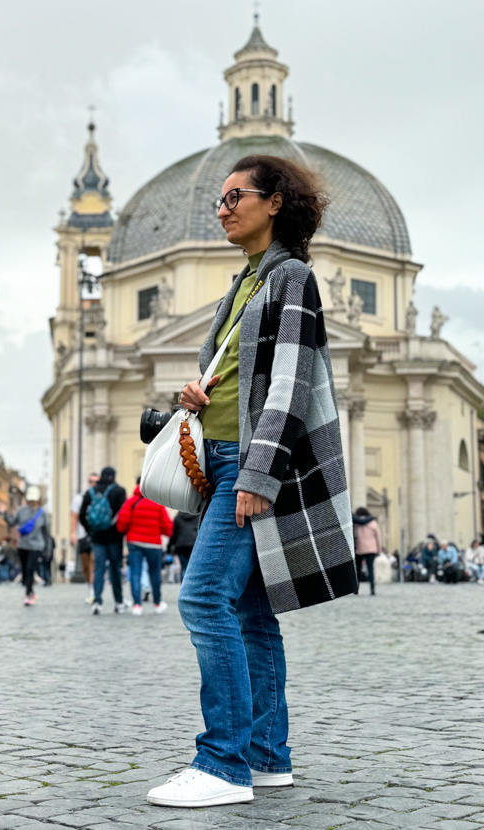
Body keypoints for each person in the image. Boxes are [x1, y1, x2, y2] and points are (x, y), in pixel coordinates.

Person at [148, 155, 355, 808]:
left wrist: (259, 475)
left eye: (236, 195)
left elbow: (292, 382)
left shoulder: (291, 276)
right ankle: (267, 758)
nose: (223, 205)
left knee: (203, 600)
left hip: (249, 463)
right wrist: (199, 393)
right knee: (251, 615)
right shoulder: (247, 282)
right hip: (227, 455)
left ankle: (224, 764)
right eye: (219, 197)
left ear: (276, 203)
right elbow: (250, 376)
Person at [117, 477, 174, 615]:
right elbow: (167, 527)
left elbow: (121, 524)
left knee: (135, 573)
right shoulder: (157, 503)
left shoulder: (131, 502)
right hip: (153, 544)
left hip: (134, 542)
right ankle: (157, 603)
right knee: (154, 573)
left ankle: (137, 605)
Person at [79, 467, 128, 615]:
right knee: (115, 569)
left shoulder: (91, 491)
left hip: (97, 537)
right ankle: (119, 602)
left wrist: (90, 530)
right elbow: (124, 514)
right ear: (113, 476)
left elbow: (82, 515)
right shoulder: (119, 491)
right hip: (114, 537)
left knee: (98, 569)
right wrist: (121, 532)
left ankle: (97, 601)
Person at [6, 486, 50, 607]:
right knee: (25, 572)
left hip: (37, 546)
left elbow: (46, 533)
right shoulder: (21, 511)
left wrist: (48, 549)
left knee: (31, 569)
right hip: (23, 545)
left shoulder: (42, 513)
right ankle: (30, 591)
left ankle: (28, 594)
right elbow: (11, 522)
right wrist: (4, 513)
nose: (32, 502)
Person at [72, 472, 99, 598]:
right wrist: (72, 533)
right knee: (85, 565)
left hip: (96, 534)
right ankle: (90, 586)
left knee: (93, 562)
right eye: (91, 481)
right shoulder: (79, 498)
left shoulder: (100, 497)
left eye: (96, 482)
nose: (93, 484)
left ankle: (94, 590)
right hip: (82, 534)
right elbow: (74, 517)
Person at [351, 508, 383, 595]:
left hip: (359, 549)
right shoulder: (373, 523)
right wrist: (379, 550)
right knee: (370, 569)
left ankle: (356, 589)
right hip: (371, 549)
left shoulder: (356, 523)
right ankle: (372, 589)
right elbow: (378, 537)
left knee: (358, 570)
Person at [169, 512, 200, 582]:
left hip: (181, 545)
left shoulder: (178, 518)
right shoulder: (196, 516)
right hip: (193, 544)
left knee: (184, 568)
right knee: (192, 568)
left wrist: (169, 547)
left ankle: (183, 587)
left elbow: (174, 534)